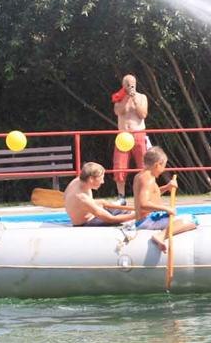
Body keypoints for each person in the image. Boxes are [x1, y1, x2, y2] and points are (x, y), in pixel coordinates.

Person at [133, 147, 197, 250]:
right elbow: (143, 204)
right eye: (163, 166)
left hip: (146, 219)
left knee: (183, 216)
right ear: (157, 165)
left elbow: (153, 193)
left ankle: (162, 234)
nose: (163, 170)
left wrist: (167, 187)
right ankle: (161, 235)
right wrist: (166, 209)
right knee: (192, 219)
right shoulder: (147, 178)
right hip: (148, 220)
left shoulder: (141, 175)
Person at [112, 73, 149, 201]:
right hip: (123, 135)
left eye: (132, 84)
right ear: (123, 85)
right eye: (127, 84)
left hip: (138, 132)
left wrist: (134, 99)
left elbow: (143, 114)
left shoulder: (142, 97)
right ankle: (121, 196)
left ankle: (145, 194)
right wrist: (126, 97)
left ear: (136, 84)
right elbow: (118, 111)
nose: (130, 86)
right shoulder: (118, 97)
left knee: (143, 165)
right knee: (119, 165)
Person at [63, 162, 136, 226]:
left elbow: (80, 203)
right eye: (101, 178)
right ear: (91, 179)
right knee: (127, 214)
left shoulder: (77, 181)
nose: (103, 182)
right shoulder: (82, 198)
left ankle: (122, 205)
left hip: (88, 214)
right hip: (87, 222)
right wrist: (137, 215)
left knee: (106, 203)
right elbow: (111, 219)